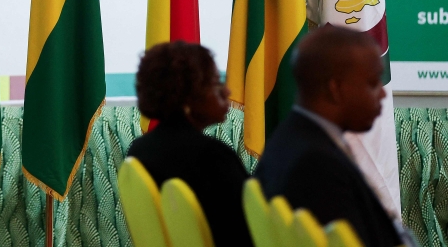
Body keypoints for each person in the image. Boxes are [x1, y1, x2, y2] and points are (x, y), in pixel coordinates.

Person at [255, 26, 412, 247]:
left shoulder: (287, 141)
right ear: (335, 89)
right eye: (373, 82)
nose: (383, 93)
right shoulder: (317, 166)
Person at [127, 41, 254, 247]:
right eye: (215, 83)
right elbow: (251, 230)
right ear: (188, 96)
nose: (227, 91)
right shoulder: (211, 157)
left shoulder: (139, 150)